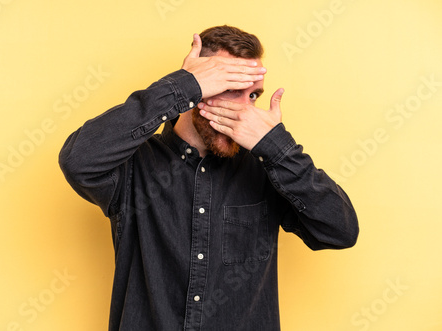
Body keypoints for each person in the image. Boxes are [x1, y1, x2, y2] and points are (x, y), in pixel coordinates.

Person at [59, 25, 359, 331]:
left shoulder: (268, 169)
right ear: (197, 87)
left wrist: (276, 147)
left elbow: (340, 231)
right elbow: (78, 160)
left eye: (253, 95)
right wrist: (180, 87)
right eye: (231, 88)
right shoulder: (135, 166)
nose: (245, 109)